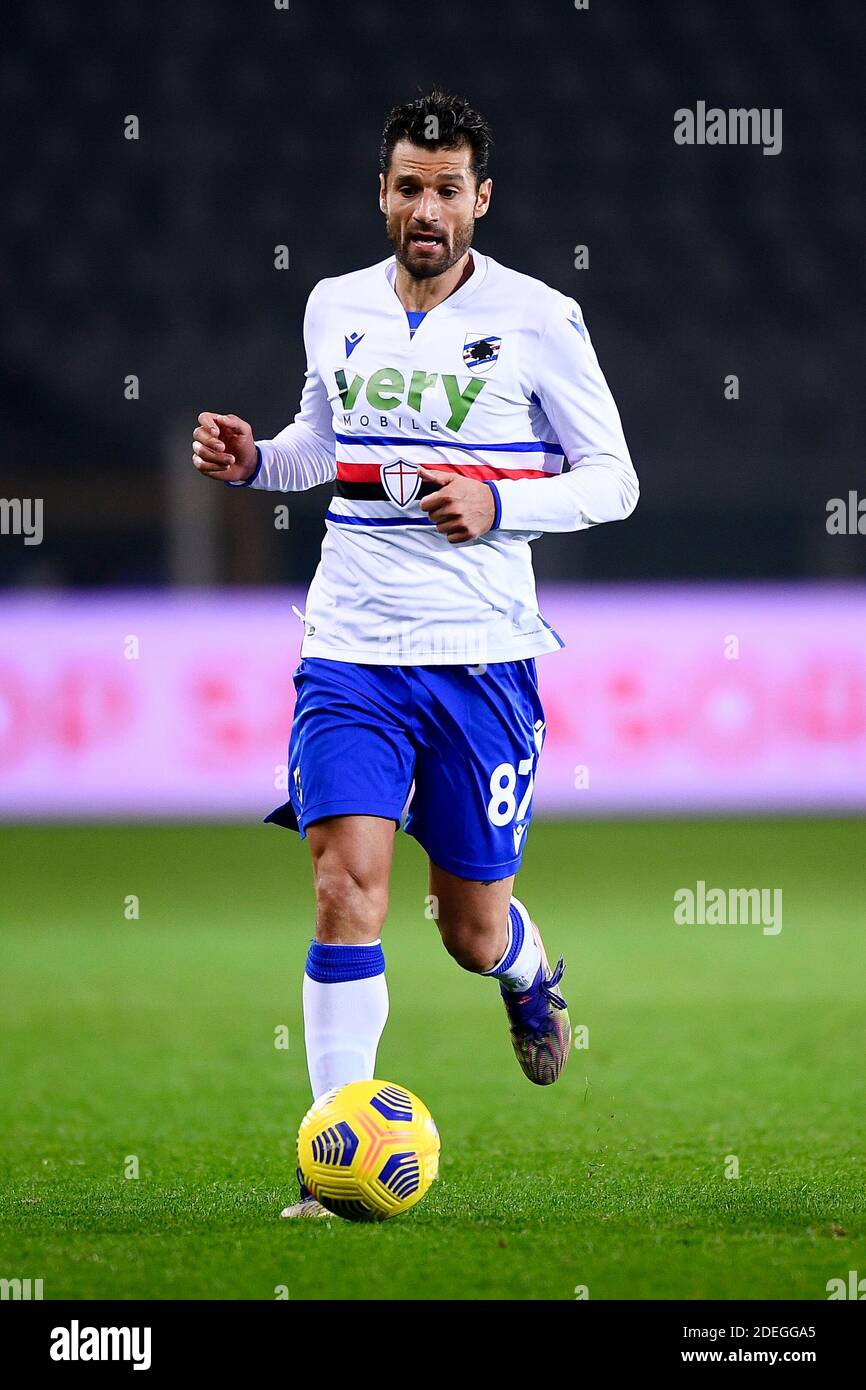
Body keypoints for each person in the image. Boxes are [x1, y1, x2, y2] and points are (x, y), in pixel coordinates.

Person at [192, 88, 639, 1218]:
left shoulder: (539, 316)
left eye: (447, 189)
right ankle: (326, 1167)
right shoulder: (333, 304)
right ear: (381, 194)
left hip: (480, 659)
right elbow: (316, 450)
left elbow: (614, 481)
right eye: (407, 187)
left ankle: (528, 972)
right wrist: (255, 462)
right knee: (346, 885)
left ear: (480, 198)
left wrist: (498, 503)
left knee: (466, 925)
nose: (425, 207)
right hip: (349, 646)